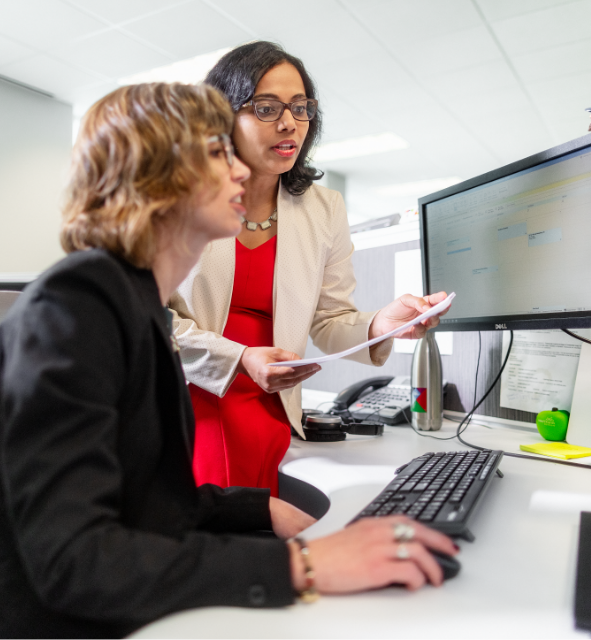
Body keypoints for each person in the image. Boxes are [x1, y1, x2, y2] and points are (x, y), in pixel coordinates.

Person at [0, 82, 459, 640]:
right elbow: (75, 559)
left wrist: (253, 511)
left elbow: (143, 501)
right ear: (157, 173)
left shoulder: (135, 305)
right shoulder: (77, 309)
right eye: (219, 154)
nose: (241, 172)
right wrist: (305, 566)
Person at [170, 42, 449, 496]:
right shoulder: (178, 196)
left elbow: (329, 319)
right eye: (266, 108)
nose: (289, 123)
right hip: (192, 390)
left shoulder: (324, 208)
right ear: (221, 116)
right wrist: (239, 358)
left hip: (275, 404)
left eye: (301, 108)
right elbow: (152, 320)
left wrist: (382, 324)